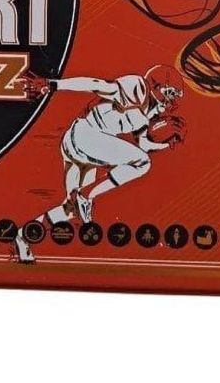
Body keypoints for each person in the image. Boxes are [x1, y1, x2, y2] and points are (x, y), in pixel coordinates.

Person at [13, 65, 186, 263]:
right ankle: (87, 194)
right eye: (171, 93)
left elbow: (144, 144)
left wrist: (167, 142)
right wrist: (53, 84)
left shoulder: (146, 114)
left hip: (81, 144)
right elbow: (96, 85)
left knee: (72, 209)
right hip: (87, 135)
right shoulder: (138, 88)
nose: (172, 100)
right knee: (142, 163)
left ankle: (23, 236)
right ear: (157, 85)